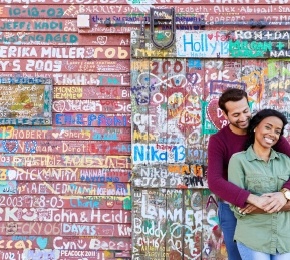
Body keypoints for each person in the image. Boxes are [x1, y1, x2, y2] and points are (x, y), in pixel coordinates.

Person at [207, 88, 290, 260]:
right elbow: (214, 181)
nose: (243, 117)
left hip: (273, 204)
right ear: (225, 115)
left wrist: (284, 194)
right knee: (238, 256)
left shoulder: (266, 131)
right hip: (235, 205)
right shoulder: (219, 141)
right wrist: (251, 199)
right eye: (236, 114)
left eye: (245, 111)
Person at [228, 109, 290, 259]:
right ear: (255, 127)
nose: (272, 134)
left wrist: (283, 196)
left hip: (284, 239)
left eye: (277, 131)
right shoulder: (238, 160)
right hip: (253, 238)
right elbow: (237, 206)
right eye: (268, 127)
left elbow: (248, 206)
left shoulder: (286, 161)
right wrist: (283, 203)